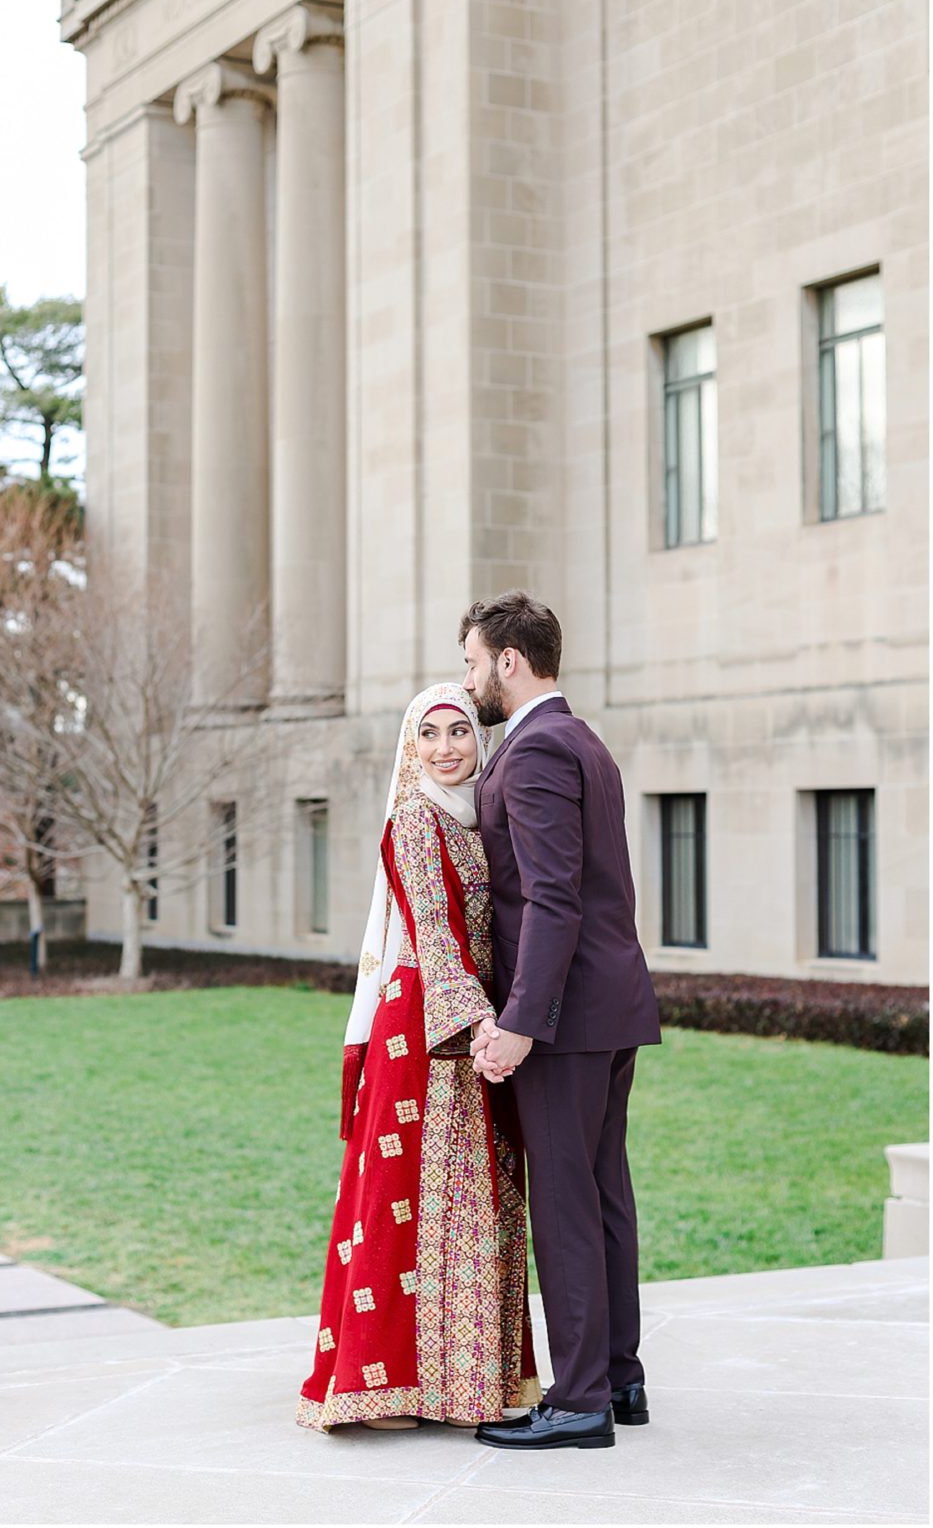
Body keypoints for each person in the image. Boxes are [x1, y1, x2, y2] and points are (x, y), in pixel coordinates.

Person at [297, 682, 540, 1432]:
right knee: (411, 1199)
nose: (444, 748)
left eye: (458, 732)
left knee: (476, 1200)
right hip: (426, 1032)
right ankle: (389, 1382)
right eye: (428, 734)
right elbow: (433, 933)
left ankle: (466, 1382)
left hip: (482, 1027)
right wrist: (480, 1027)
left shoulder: (481, 820)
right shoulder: (413, 819)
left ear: (478, 739)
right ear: (411, 747)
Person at [458, 590, 662, 1452]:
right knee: (604, 1192)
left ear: (509, 660)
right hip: (609, 1008)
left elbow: (550, 899)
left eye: (471, 662)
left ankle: (577, 1402)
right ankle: (618, 1379)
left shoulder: (535, 750)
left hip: (567, 1017)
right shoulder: (582, 741)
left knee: (569, 1203)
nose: (467, 680)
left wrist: (520, 1021)